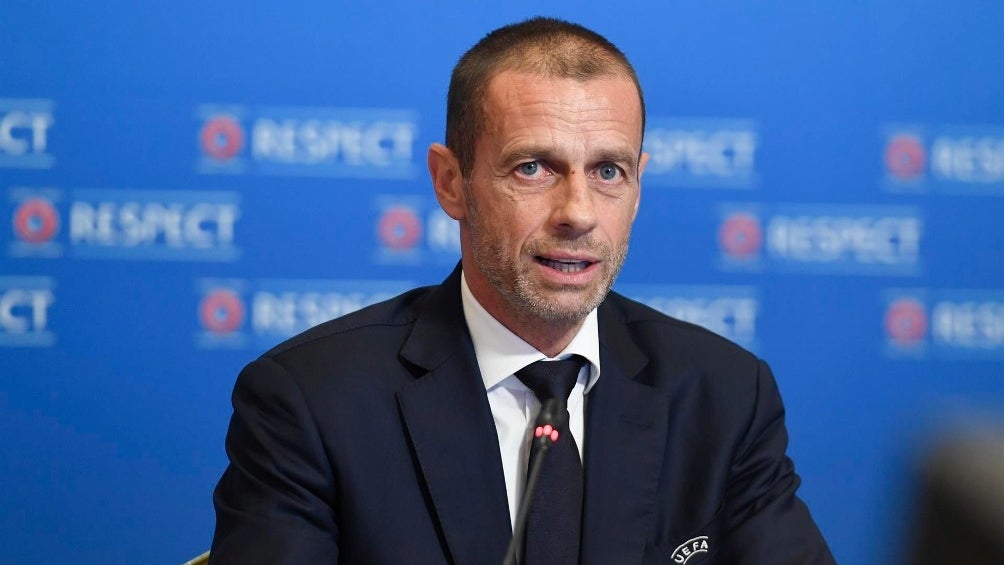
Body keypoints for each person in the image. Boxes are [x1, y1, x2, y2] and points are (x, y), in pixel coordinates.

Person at [211, 17, 835, 564]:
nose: (578, 213)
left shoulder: (724, 396)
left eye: (608, 171)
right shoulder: (313, 403)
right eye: (532, 168)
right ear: (451, 182)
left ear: (638, 185)